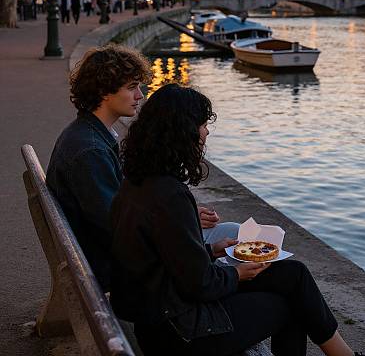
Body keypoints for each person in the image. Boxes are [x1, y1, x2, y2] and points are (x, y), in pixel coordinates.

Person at [110, 84, 365, 356]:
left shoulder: (139, 183)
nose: (206, 132)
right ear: (181, 132)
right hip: (180, 332)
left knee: (294, 275)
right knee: (289, 305)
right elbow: (200, 285)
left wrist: (213, 250)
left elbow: (168, 260)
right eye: (201, 124)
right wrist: (236, 273)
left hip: (161, 314)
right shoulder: (169, 195)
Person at [46, 45, 236, 290]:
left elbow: (123, 212)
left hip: (98, 253)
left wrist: (181, 216)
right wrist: (178, 222)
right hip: (111, 266)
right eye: (132, 87)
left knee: (233, 233)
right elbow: (119, 228)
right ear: (105, 91)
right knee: (240, 241)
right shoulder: (90, 151)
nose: (140, 96)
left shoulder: (89, 135)